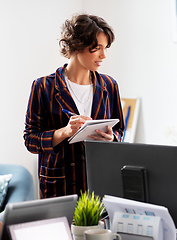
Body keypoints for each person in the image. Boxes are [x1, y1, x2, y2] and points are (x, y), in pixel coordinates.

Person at [24, 14, 124, 199]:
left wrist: (112, 138)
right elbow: (30, 140)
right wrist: (64, 132)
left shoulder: (109, 85)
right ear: (77, 46)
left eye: (105, 48)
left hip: (99, 182)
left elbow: (119, 131)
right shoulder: (43, 86)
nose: (103, 55)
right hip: (60, 186)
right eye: (97, 48)